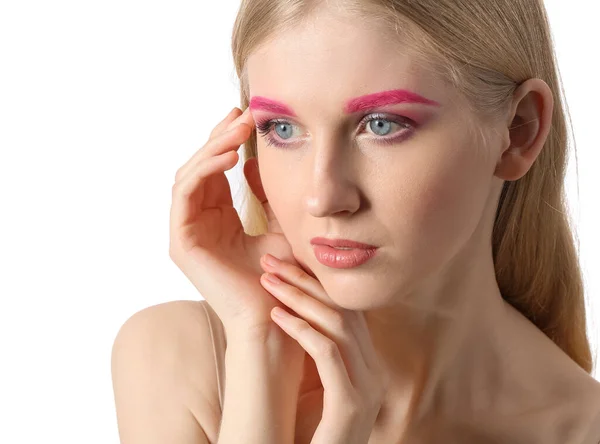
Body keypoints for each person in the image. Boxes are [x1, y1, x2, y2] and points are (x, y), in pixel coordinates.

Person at [111, 0, 600, 443]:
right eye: (282, 129)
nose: (323, 196)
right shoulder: (179, 360)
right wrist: (259, 347)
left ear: (518, 131)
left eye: (382, 125)